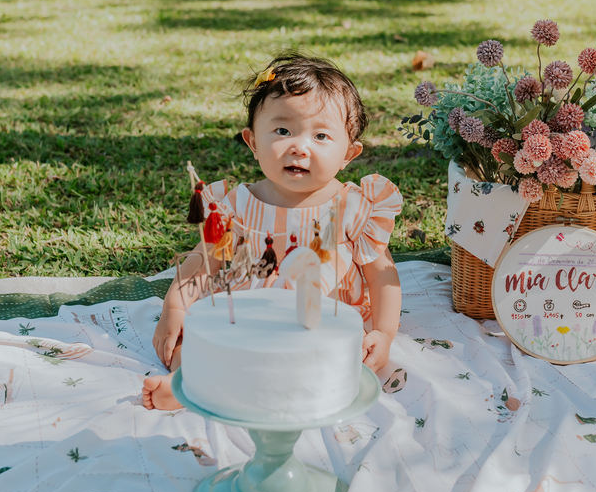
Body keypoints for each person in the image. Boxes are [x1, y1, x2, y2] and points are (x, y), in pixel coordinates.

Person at [142, 51, 404, 410]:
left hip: (319, 325)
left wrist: (384, 333)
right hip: (245, 318)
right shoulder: (236, 206)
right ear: (253, 142)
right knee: (189, 343)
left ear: (349, 153)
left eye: (321, 135)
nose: (299, 146)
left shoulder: (353, 208)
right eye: (282, 131)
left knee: (331, 364)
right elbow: (202, 264)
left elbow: (382, 276)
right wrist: (175, 305)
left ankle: (228, 387)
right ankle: (190, 382)